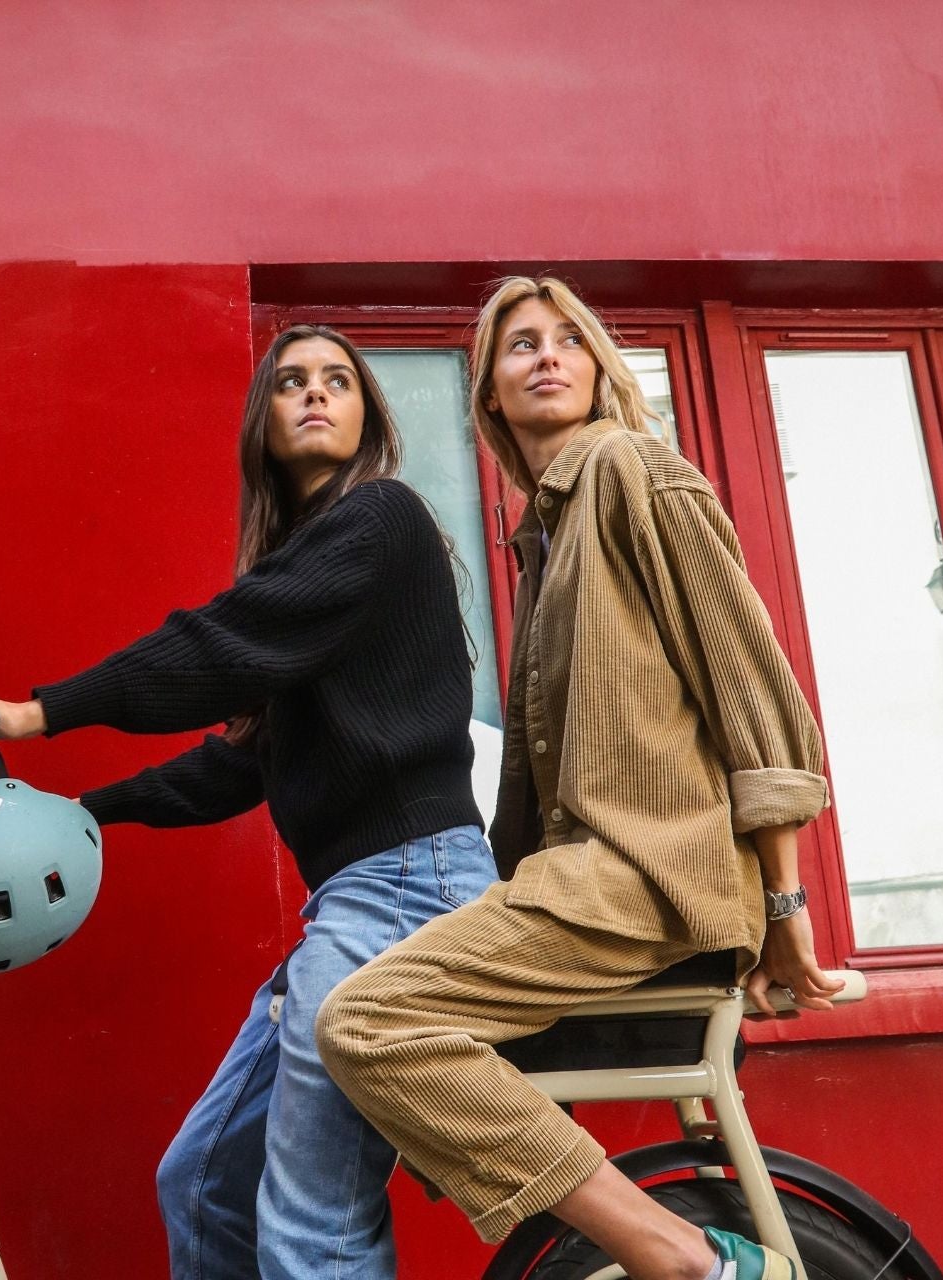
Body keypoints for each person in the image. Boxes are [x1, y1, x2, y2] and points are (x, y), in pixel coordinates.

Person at [0, 324, 496, 1280]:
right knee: (204, 1181)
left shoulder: (380, 518)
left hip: (405, 889)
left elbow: (217, 646)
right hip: (360, 900)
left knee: (314, 1226)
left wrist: (35, 713)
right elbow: (238, 766)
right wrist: (75, 813)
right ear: (262, 420)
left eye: (338, 381)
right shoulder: (306, 581)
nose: (315, 393)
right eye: (291, 381)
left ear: (370, 418)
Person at [315, 276, 846, 1280]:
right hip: (589, 880)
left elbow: (752, 689)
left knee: (368, 1021)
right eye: (522, 345)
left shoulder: (632, 468)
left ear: (600, 370)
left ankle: (683, 1258)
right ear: (491, 393)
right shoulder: (544, 537)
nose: (550, 356)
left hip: (647, 876)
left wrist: (785, 905)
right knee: (381, 1024)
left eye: (571, 339)